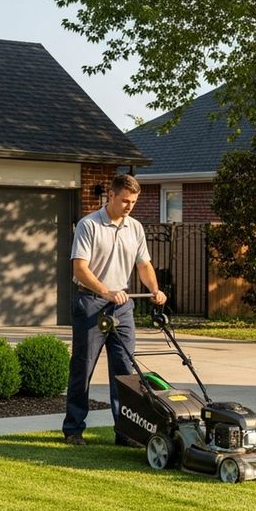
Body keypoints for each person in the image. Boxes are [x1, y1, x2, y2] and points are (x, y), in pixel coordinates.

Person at [63, 174, 167, 446]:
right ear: (111, 195)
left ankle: (126, 431)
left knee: (126, 373)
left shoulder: (135, 228)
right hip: (91, 303)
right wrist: (105, 291)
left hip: (122, 307)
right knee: (82, 368)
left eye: (133, 202)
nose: (129, 206)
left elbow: (143, 265)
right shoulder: (89, 225)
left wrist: (155, 289)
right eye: (124, 201)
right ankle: (73, 430)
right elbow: (79, 269)